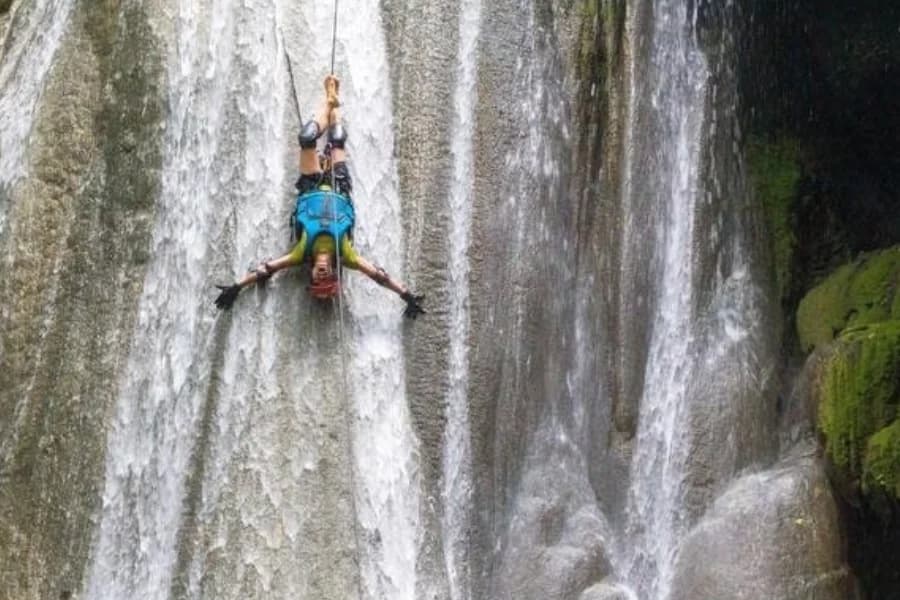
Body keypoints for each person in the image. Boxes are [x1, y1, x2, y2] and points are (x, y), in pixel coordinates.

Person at [214, 75, 425, 318]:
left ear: (312, 273)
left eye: (318, 278)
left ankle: (328, 102)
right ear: (334, 273)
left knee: (306, 139)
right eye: (327, 277)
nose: (322, 274)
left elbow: (267, 269)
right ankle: (333, 101)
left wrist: (237, 286)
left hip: (311, 186)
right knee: (336, 140)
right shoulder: (346, 254)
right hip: (338, 189)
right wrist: (405, 294)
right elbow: (378, 274)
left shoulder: (301, 253)